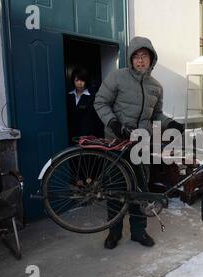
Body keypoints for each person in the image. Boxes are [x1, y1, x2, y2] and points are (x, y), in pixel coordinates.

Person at [94, 36, 184, 249]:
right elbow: (100, 102)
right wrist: (114, 123)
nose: (140, 60)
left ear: (151, 58)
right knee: (115, 189)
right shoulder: (117, 77)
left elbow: (157, 115)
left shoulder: (156, 87)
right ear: (130, 58)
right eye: (136, 56)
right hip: (116, 142)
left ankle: (138, 232)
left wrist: (172, 123)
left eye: (144, 56)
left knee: (140, 189)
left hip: (141, 144)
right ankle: (113, 233)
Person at [66, 67, 104, 145]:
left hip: (88, 135)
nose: (80, 83)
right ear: (73, 81)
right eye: (77, 80)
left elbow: (96, 119)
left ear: (86, 81)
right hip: (71, 134)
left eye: (82, 80)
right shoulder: (68, 96)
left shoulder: (93, 96)